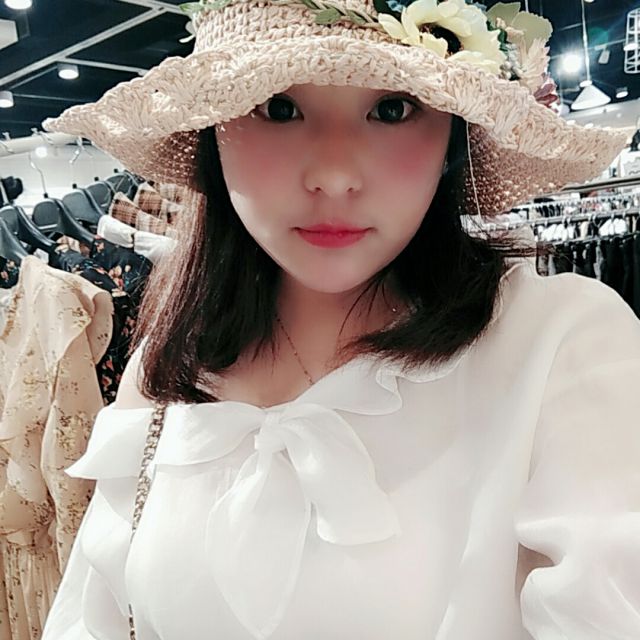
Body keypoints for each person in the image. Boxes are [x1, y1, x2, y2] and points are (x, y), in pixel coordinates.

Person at [40, 1, 640, 638]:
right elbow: (94, 618)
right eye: (277, 107)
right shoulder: (166, 369)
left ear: (453, 137)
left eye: (392, 109)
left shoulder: (558, 347)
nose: (333, 175)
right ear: (211, 131)